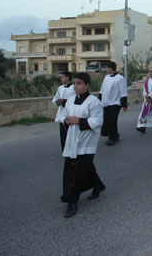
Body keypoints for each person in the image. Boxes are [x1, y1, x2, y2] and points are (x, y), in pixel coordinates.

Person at [61, 72, 106, 218]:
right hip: (72, 140)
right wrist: (66, 120)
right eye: (74, 83)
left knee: (77, 172)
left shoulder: (94, 102)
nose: (75, 86)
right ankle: (98, 184)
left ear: (87, 85)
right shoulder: (70, 100)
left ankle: (71, 201)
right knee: (80, 168)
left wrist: (79, 121)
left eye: (79, 83)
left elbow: (98, 121)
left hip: (86, 142)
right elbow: (65, 115)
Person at [99, 61, 127, 146]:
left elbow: (123, 92)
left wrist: (124, 105)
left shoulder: (120, 78)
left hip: (115, 102)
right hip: (106, 102)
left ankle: (111, 138)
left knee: (111, 120)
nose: (106, 69)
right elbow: (102, 89)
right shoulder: (106, 77)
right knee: (106, 119)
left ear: (110, 68)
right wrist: (99, 100)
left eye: (107, 68)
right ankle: (115, 135)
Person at [52, 71, 75, 151]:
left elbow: (75, 99)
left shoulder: (74, 88)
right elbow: (55, 98)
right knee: (63, 133)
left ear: (67, 77)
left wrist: (64, 101)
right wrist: (57, 102)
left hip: (71, 113)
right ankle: (64, 149)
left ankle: (72, 149)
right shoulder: (60, 88)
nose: (61, 79)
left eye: (62, 77)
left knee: (71, 133)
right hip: (62, 113)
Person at [136, 67, 152, 133]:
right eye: (150, 71)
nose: (150, 72)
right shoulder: (146, 80)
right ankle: (143, 127)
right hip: (147, 100)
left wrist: (150, 96)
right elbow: (144, 89)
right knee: (145, 113)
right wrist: (146, 96)